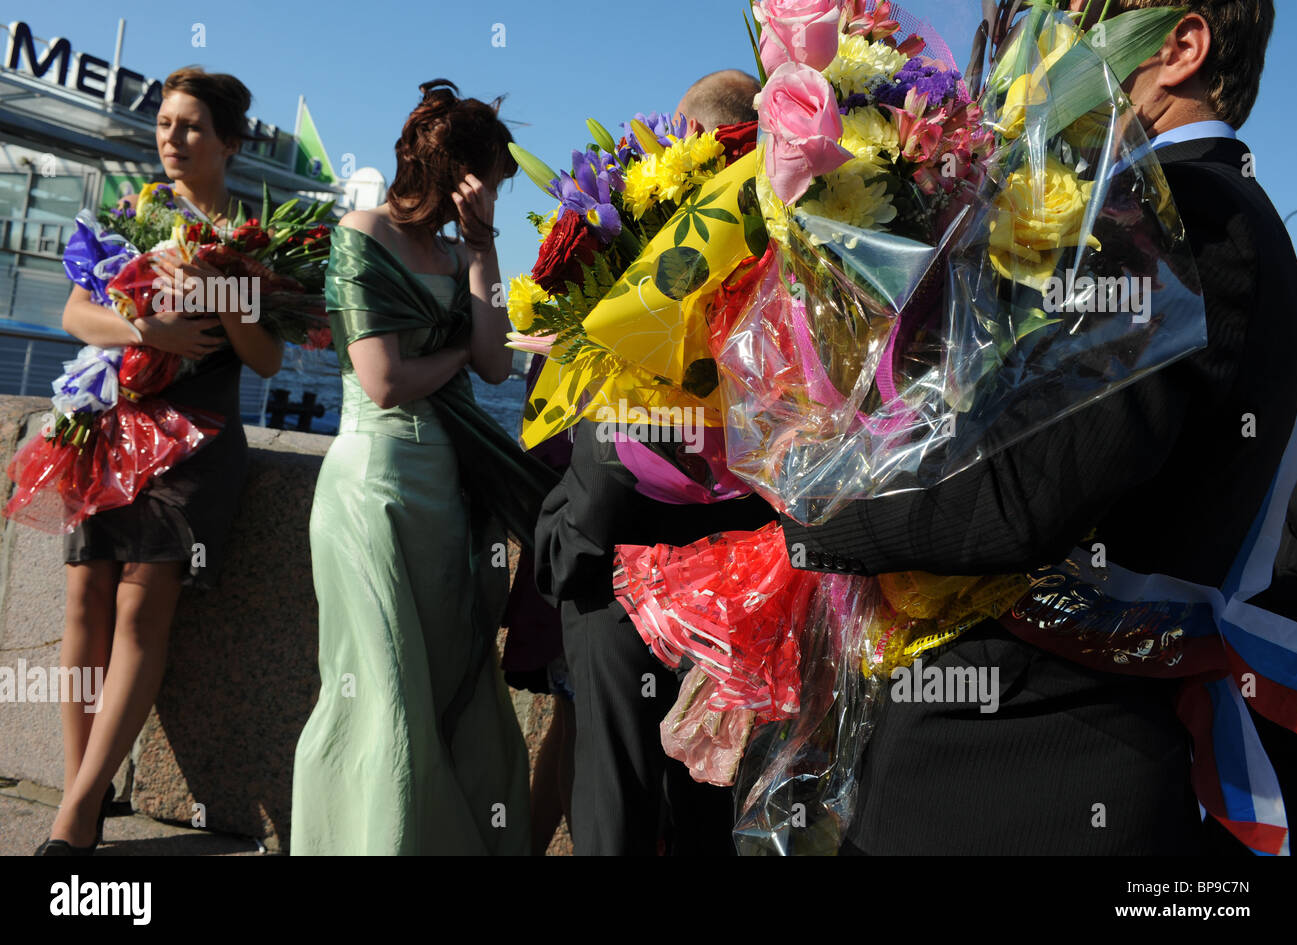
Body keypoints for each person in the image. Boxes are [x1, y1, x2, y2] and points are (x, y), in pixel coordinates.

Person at [780, 0, 1297, 854]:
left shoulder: (1190, 218)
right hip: (1031, 752)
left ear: (1182, 47)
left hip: (1027, 763)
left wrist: (819, 506)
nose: (1048, 40)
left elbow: (1026, 486)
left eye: (1081, 16)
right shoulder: (1196, 212)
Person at [290, 79, 555, 855]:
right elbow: (384, 381)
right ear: (458, 175)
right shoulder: (361, 231)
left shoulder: (459, 249)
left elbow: (496, 366)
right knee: (381, 693)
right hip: (373, 492)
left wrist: (484, 248)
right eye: (488, 187)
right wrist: (457, 355)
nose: (489, 201)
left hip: (448, 494)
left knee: (447, 685)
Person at [36, 67, 283, 855]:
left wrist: (225, 290)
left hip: (200, 439)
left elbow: (269, 358)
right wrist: (149, 332)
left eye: (189, 128)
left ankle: (71, 823)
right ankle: (88, 793)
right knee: (84, 600)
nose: (171, 139)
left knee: (142, 606)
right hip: (112, 426)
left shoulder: (252, 236)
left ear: (229, 145)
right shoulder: (133, 211)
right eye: (166, 124)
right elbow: (76, 310)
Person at [534, 70, 777, 856]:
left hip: (620, 574)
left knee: (617, 805)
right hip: (740, 583)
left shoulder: (672, 247)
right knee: (709, 804)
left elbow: (617, 431)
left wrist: (571, 541)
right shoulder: (783, 251)